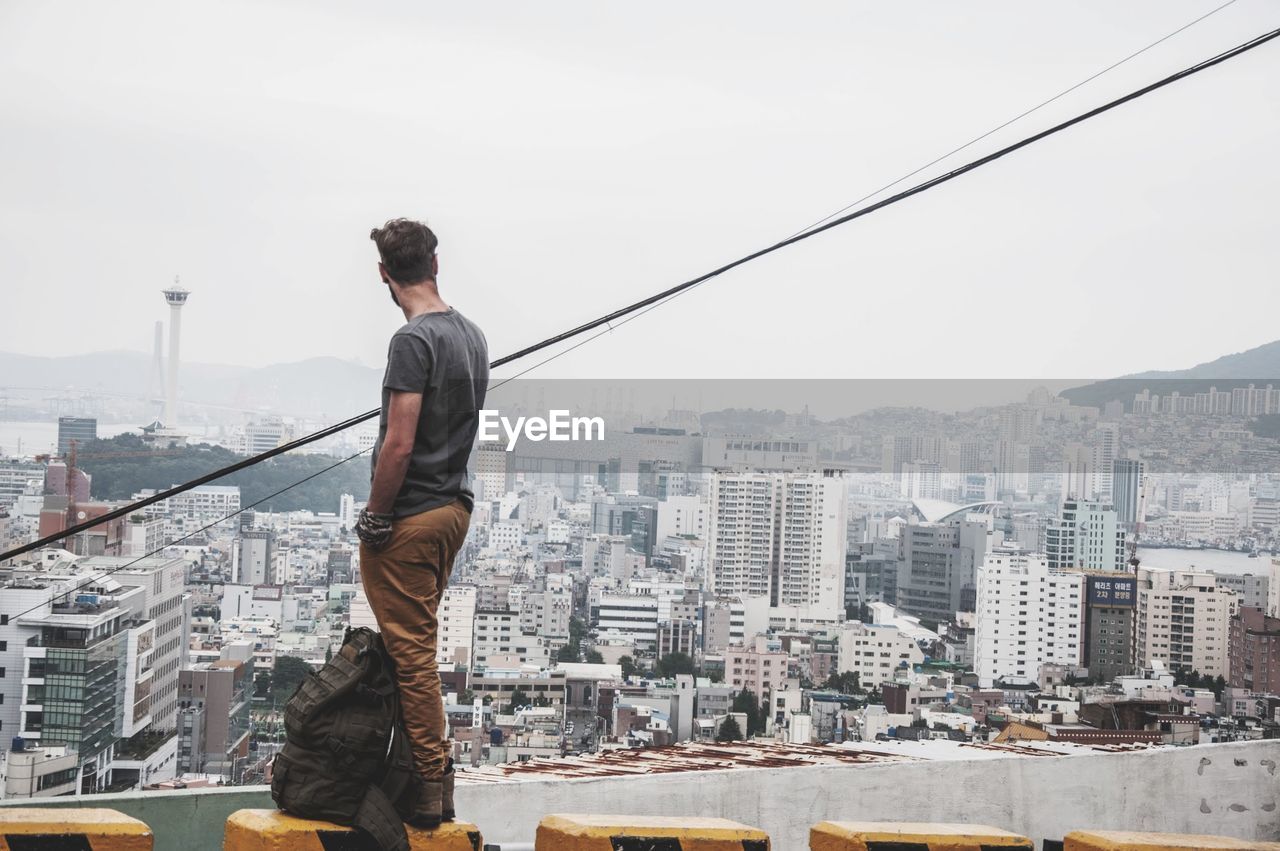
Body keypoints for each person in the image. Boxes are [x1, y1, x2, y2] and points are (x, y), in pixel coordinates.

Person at [356, 218, 488, 828]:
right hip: (453, 508)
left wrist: (376, 517)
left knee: (410, 655)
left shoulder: (412, 341)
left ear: (385, 274)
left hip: (410, 515)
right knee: (419, 648)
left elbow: (400, 444)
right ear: (435, 262)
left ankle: (430, 786)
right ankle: (425, 780)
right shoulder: (472, 336)